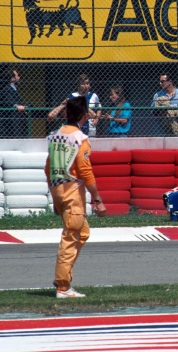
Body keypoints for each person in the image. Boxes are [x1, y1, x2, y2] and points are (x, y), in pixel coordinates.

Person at [44, 96, 107, 298]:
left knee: (83, 232)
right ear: (84, 116)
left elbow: (48, 168)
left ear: (66, 113)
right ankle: (63, 285)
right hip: (72, 194)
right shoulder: (81, 138)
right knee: (70, 238)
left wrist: (54, 199)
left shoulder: (54, 136)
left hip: (57, 190)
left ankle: (64, 274)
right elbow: (85, 171)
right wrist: (98, 200)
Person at [0, 68, 28, 137]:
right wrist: (16, 106)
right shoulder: (6, 90)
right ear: (12, 78)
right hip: (13, 126)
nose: (19, 78)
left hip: (18, 125)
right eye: (17, 76)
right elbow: (8, 101)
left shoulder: (14, 89)